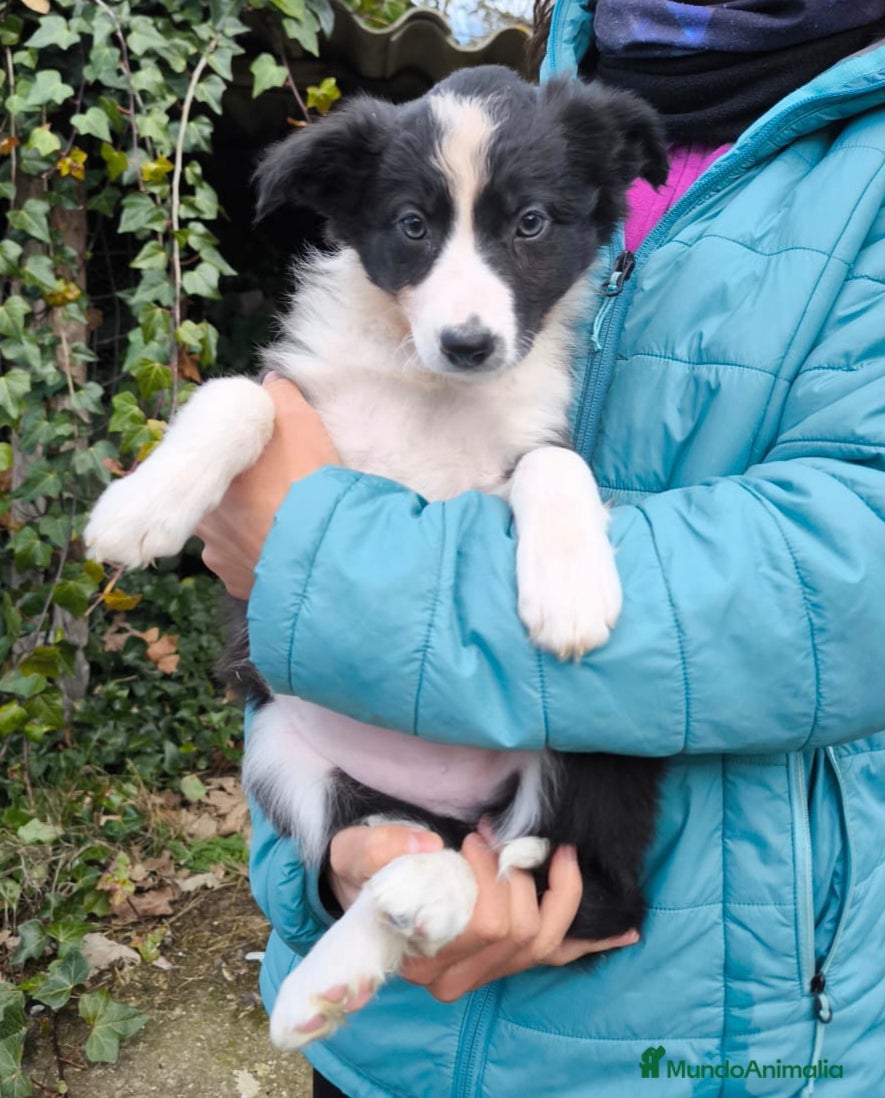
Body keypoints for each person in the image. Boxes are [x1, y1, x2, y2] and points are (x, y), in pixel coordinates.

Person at [197, 2, 885, 1095]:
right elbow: (279, 619)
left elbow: (854, 585)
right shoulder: (510, 94)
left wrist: (318, 559)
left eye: (526, 228)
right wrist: (338, 854)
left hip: (718, 1041)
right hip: (386, 1041)